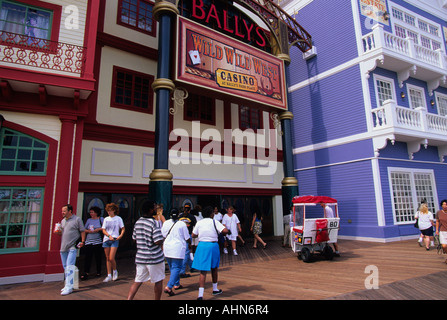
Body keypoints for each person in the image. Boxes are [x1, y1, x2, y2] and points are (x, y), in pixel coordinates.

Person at [127, 200, 165, 300]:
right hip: (154, 258)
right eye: (155, 207)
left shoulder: (138, 222)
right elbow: (157, 241)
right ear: (150, 210)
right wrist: (163, 239)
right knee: (158, 280)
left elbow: (134, 238)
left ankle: (129, 299)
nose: (156, 209)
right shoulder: (153, 223)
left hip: (141, 257)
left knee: (138, 280)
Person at [191, 206, 229, 300]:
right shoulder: (214, 221)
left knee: (203, 271)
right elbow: (225, 230)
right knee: (214, 268)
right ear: (211, 214)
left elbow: (193, 235)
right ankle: (215, 289)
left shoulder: (199, 222)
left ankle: (200, 295)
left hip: (202, 245)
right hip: (213, 245)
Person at [54, 204, 85, 296]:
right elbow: (62, 234)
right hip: (63, 247)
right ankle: (68, 284)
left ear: (70, 211)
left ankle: (69, 287)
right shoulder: (63, 221)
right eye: (62, 211)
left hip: (72, 246)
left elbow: (82, 230)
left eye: (64, 211)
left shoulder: (77, 219)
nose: (62, 212)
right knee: (65, 266)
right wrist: (58, 232)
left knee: (69, 266)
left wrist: (82, 241)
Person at [161, 208, 191, 296]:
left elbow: (163, 234)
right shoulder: (182, 224)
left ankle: (176, 284)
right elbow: (187, 237)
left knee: (171, 267)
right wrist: (190, 243)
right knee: (177, 267)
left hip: (167, 247)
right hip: (177, 248)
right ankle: (169, 286)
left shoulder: (166, 223)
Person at [102, 203, 125, 282]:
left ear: (114, 211)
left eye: (110, 211)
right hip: (106, 239)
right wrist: (108, 236)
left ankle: (115, 271)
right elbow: (103, 229)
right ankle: (109, 274)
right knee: (107, 258)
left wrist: (120, 235)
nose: (109, 212)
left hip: (115, 239)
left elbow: (123, 228)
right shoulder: (106, 219)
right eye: (108, 211)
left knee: (111, 257)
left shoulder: (118, 219)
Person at [81, 206, 104, 280]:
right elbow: (84, 229)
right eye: (90, 212)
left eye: (92, 212)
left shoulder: (101, 219)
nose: (91, 214)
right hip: (89, 241)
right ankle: (86, 272)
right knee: (88, 257)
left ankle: (98, 271)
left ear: (96, 213)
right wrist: (89, 231)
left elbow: (105, 227)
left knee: (98, 257)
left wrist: (98, 229)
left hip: (98, 241)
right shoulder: (89, 220)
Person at [179, 204, 196, 277]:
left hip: (181, 235)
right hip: (187, 235)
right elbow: (195, 225)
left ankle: (192, 266)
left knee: (187, 252)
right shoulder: (192, 217)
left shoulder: (179, 216)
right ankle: (182, 271)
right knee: (186, 252)